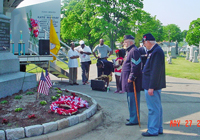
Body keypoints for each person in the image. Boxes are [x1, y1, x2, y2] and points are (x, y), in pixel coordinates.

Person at [141, 33, 166, 136]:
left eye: (144, 43)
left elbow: (155, 71)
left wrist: (151, 87)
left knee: (153, 109)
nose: (144, 45)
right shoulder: (154, 51)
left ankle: (152, 130)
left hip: (152, 86)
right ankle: (158, 128)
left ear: (148, 41)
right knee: (157, 108)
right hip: (152, 85)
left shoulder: (156, 52)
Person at [120, 35, 142, 126]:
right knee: (130, 100)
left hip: (132, 81)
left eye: (125, 42)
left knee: (133, 100)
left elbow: (136, 65)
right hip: (128, 81)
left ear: (131, 42)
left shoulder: (134, 51)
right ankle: (132, 116)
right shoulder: (129, 51)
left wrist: (132, 76)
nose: (124, 44)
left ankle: (134, 119)